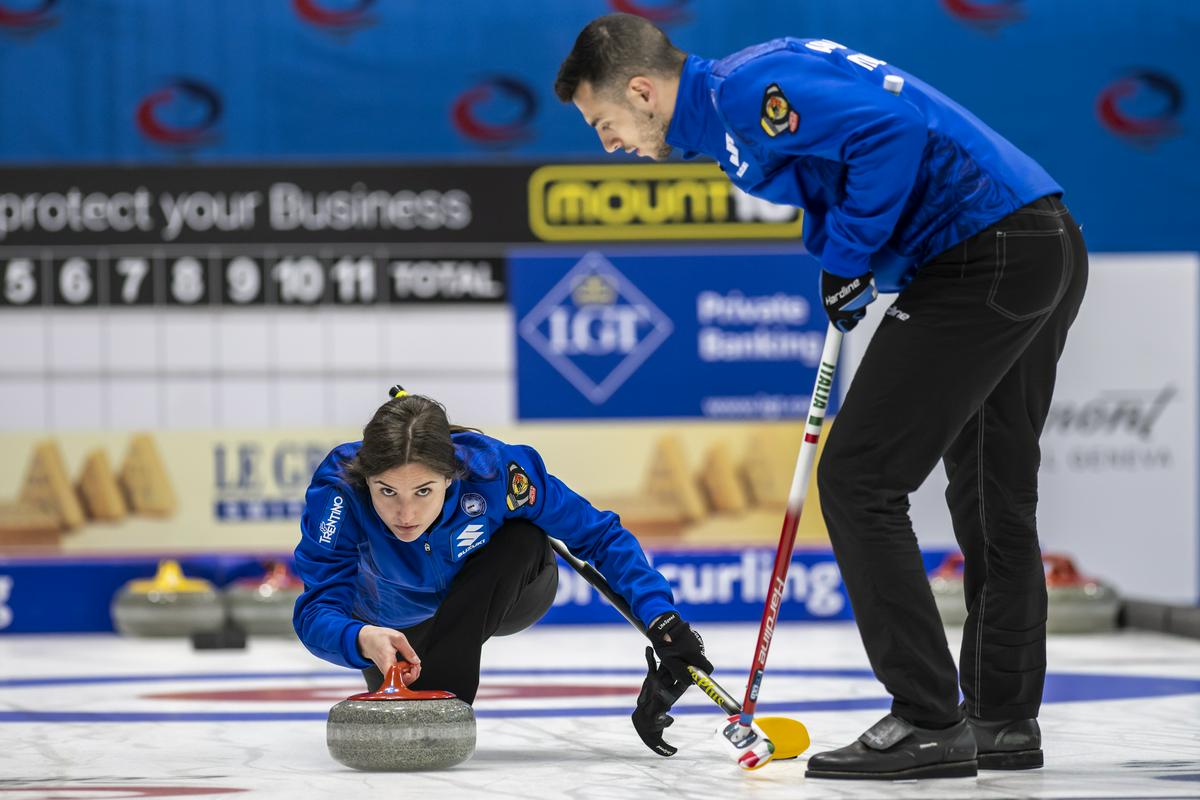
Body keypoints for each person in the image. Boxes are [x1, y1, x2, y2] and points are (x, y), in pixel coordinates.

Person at [555, 14, 1087, 780]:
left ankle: (929, 719)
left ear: (642, 91)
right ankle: (1001, 721)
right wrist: (837, 255)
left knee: (859, 478)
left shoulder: (744, 93)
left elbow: (890, 132)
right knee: (990, 489)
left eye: (604, 123)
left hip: (985, 252)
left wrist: (848, 254)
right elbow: (838, 172)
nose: (608, 144)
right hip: (1038, 241)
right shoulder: (731, 114)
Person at [292, 386, 713, 757]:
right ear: (366, 480)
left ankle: (450, 702)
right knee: (402, 704)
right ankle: (426, 682)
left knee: (524, 536)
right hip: (395, 626)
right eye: (387, 491)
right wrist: (361, 637)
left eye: (424, 491)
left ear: (451, 476)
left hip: (511, 592)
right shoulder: (338, 492)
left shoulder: (496, 471)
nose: (405, 512)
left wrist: (660, 617)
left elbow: (599, 535)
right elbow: (316, 611)